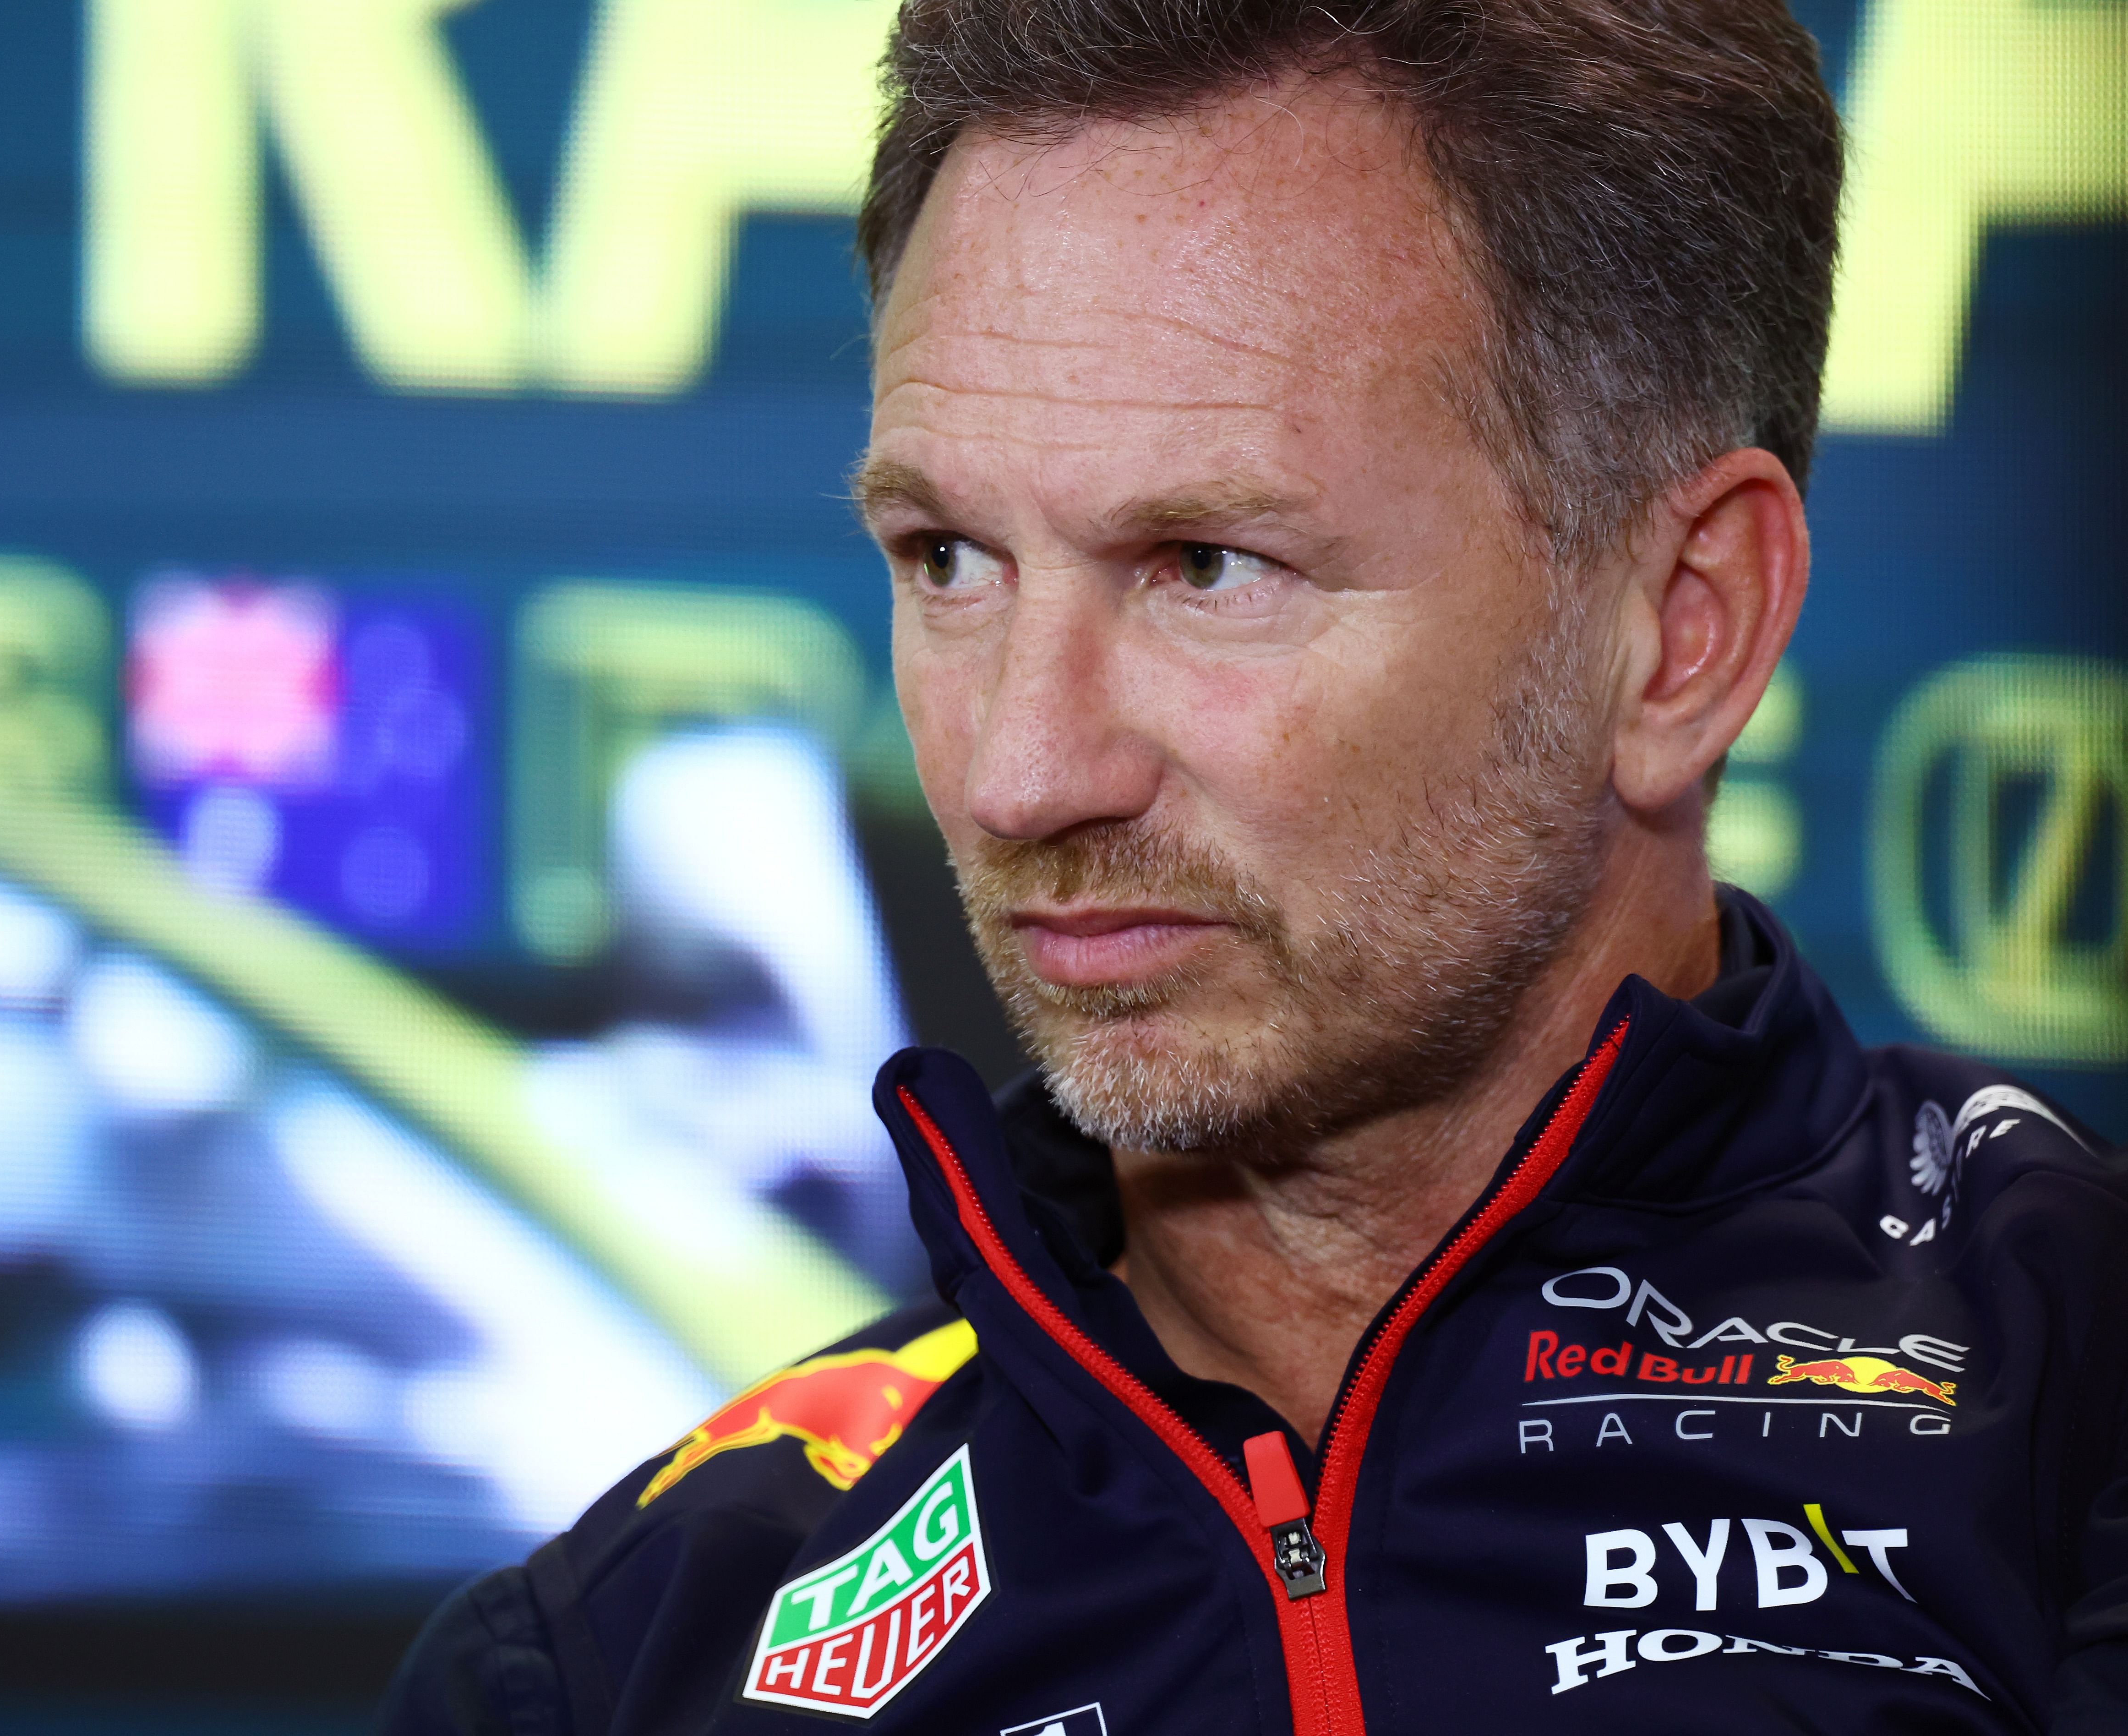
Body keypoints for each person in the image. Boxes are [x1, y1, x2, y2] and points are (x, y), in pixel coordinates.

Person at [380, 2, 2128, 1729]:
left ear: (1683, 631)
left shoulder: (2074, 1396)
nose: (1019, 772)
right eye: (948, 558)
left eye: (1209, 566)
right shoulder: (626, 1658)